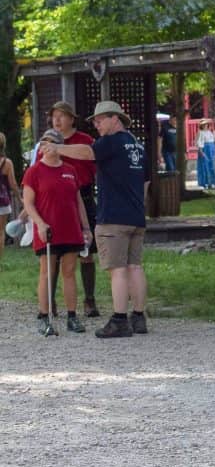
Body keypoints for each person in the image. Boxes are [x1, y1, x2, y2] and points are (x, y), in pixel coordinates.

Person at [45, 100, 150, 338]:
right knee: (135, 267)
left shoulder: (110, 142)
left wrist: (57, 149)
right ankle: (139, 317)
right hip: (136, 216)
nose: (97, 125)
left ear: (115, 119)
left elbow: (88, 152)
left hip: (113, 217)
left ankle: (119, 319)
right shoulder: (138, 146)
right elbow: (146, 183)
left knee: (117, 270)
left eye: (100, 120)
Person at [22, 129, 91, 334]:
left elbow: (77, 201)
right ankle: (43, 316)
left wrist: (85, 226)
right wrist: (40, 224)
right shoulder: (34, 172)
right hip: (48, 230)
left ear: (59, 146)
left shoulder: (70, 169)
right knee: (46, 272)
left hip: (70, 229)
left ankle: (72, 316)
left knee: (69, 272)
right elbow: (28, 204)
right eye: (43, 141)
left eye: (51, 141)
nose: (46, 145)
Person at [49, 101, 101, 317]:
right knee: (53, 254)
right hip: (55, 202)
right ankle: (49, 301)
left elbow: (95, 167)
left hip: (83, 197)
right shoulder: (48, 141)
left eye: (62, 116)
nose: (57, 120)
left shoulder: (85, 141)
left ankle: (89, 300)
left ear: (72, 118)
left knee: (86, 252)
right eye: (54, 116)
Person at [0, 131, 20, 264]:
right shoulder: (7, 163)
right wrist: (20, 198)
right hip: (2, 202)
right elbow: (13, 184)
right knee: (0, 232)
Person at [195, 119, 215, 190]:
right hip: (205, 150)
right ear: (201, 125)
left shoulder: (210, 132)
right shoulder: (200, 132)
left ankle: (213, 183)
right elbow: (199, 142)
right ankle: (207, 183)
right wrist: (201, 152)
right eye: (204, 124)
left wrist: (214, 132)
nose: (206, 125)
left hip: (212, 150)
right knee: (205, 166)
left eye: (207, 124)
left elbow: (214, 139)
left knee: (212, 166)